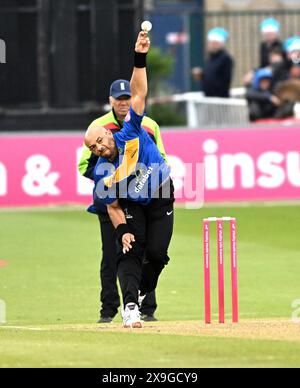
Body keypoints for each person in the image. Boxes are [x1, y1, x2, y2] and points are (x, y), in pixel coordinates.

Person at [84, 31, 175, 328]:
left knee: (158, 255)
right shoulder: (101, 171)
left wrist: (140, 57)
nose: (98, 148)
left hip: (160, 192)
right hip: (133, 203)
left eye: (99, 141)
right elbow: (111, 206)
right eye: (93, 147)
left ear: (109, 132)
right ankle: (131, 306)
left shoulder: (131, 130)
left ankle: (143, 288)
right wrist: (122, 229)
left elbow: (138, 93)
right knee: (131, 248)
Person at [200, 28, 234, 98]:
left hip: (219, 100)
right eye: (210, 42)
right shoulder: (209, 58)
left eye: (215, 43)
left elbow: (224, 81)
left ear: (221, 44)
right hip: (208, 98)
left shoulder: (226, 59)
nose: (211, 45)